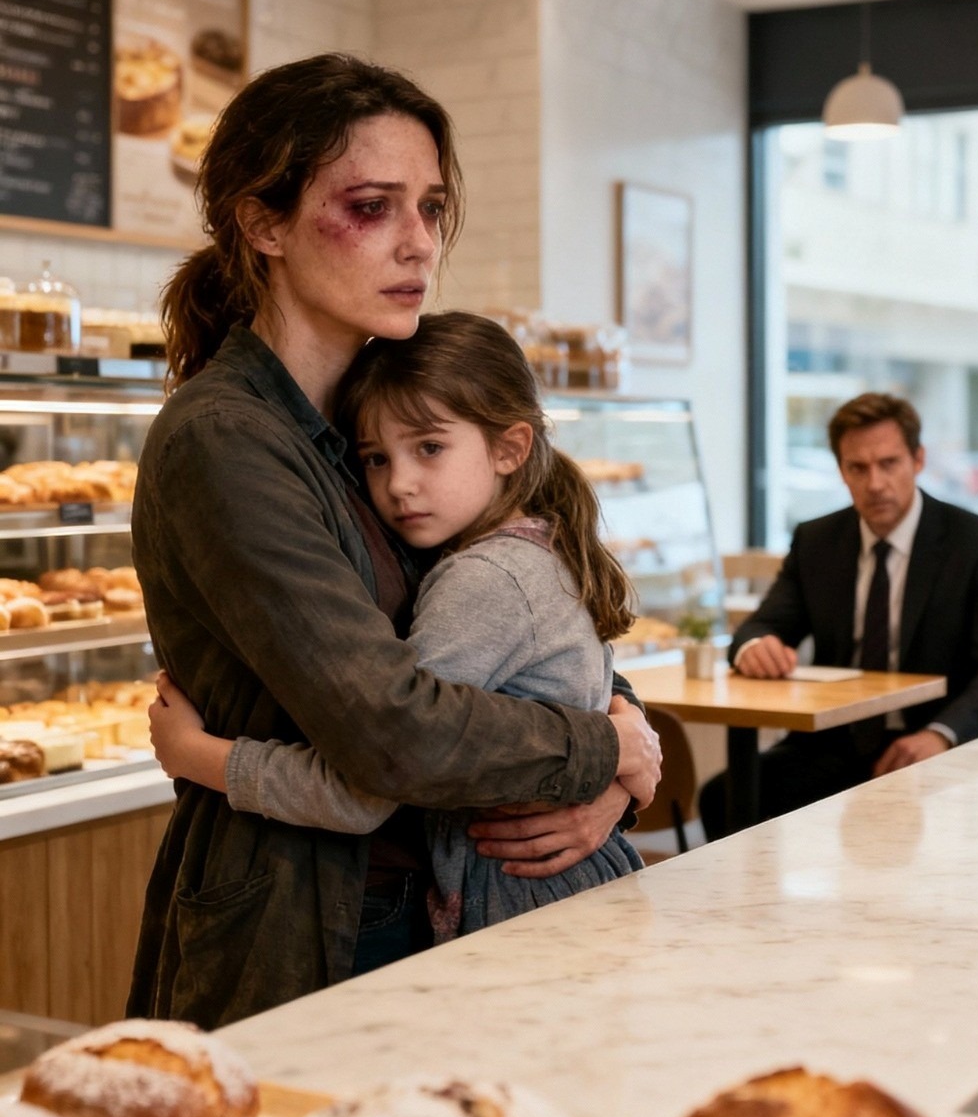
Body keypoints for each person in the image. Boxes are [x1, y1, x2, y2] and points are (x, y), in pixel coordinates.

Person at [129, 53, 660, 1027]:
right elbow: (395, 728)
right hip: (313, 921)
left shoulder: (380, 412)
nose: (418, 243)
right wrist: (600, 745)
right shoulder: (228, 439)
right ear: (263, 222)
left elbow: (513, 608)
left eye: (432, 208)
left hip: (448, 902)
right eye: (374, 207)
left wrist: (621, 740)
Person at [148, 311, 644, 943]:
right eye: (375, 459)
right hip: (549, 887)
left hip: (523, 898)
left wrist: (198, 757)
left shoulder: (485, 581)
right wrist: (617, 746)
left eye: (429, 448)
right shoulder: (529, 548)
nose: (399, 485)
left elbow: (370, 786)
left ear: (509, 449)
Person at [700, 393, 978, 837]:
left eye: (889, 463)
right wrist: (758, 647)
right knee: (724, 796)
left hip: (938, 738)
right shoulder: (817, 541)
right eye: (858, 468)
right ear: (842, 472)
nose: (875, 483)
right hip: (837, 741)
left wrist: (940, 734)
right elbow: (762, 626)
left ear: (917, 460)